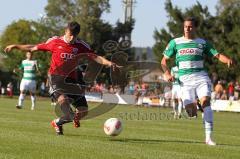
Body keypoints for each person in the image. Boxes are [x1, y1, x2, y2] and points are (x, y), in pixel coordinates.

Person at [5, 21, 120, 135]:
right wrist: (16, 46)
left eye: (74, 36)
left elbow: (95, 57)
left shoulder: (81, 46)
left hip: (72, 82)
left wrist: (110, 63)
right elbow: (33, 47)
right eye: (70, 35)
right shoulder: (55, 42)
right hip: (56, 80)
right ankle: (66, 118)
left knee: (83, 111)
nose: (71, 38)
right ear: (66, 31)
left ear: (77, 35)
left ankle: (57, 123)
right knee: (69, 113)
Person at [161, 17, 232, 146]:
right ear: (183, 28)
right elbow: (163, 61)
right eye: (185, 26)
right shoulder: (175, 42)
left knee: (207, 104)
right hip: (185, 81)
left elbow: (217, 55)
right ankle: (197, 107)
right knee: (191, 112)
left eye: (190, 26)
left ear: (195, 28)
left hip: (201, 78)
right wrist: (166, 73)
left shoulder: (202, 43)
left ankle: (209, 138)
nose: (187, 29)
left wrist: (227, 60)